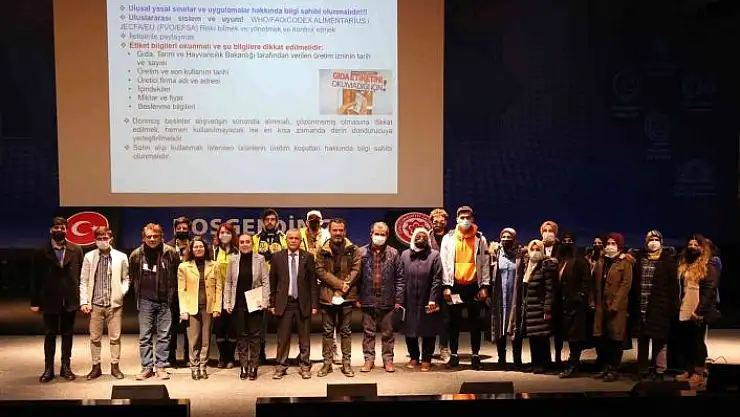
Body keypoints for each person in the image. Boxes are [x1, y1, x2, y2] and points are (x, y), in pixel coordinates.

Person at [31, 216, 84, 383]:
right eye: (56, 227)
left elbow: (82, 276)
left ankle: (66, 367)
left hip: (70, 300)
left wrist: (82, 299)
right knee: (50, 334)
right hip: (49, 300)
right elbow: (35, 279)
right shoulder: (41, 252)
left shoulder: (76, 249)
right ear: (50, 230)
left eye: (62, 228)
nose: (59, 230)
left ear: (67, 230)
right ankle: (48, 369)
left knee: (68, 334)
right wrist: (35, 302)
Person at [439, 206, 490, 370]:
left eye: (468, 217)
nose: (465, 220)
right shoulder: (448, 238)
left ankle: (475, 355)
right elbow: (443, 263)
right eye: (462, 217)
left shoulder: (480, 238)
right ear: (457, 219)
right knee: (453, 322)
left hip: (474, 286)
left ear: (473, 219)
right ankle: (454, 355)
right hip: (455, 286)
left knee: (475, 322)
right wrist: (446, 286)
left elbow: (485, 263)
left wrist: (484, 286)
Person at [129, 223, 180, 380]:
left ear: (161, 237)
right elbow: (132, 276)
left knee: (164, 335)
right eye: (149, 236)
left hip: (165, 300)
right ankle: (147, 367)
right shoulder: (136, 255)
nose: (152, 239)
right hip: (145, 300)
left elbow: (177, 276)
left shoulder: (171, 253)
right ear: (143, 238)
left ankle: (161, 366)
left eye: (155, 236)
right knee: (145, 336)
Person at [79, 226, 129, 380]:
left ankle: (115, 366)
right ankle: (96, 367)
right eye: (99, 238)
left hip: (114, 305)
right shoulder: (89, 256)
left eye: (105, 238)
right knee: (95, 338)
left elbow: (126, 278)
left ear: (110, 239)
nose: (102, 241)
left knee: (115, 337)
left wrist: (121, 292)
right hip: (95, 304)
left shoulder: (121, 257)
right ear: (95, 240)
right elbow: (84, 280)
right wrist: (84, 302)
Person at [270, 229, 318, 380]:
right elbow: (273, 282)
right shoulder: (277, 257)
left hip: (303, 303)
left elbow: (312, 283)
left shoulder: (308, 257)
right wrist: (272, 303)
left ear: (300, 240)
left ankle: (305, 365)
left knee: (304, 338)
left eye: (296, 238)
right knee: (283, 338)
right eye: (290, 238)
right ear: (286, 240)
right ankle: (281, 366)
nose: (293, 241)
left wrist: (314, 304)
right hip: (284, 303)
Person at [315, 218, 362, 377]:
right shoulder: (322, 250)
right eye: (335, 230)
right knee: (327, 331)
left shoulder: (353, 249)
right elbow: (321, 271)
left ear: (345, 231)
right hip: (327, 296)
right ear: (330, 231)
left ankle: (346, 363)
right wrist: (340, 285)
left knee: (346, 331)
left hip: (347, 296)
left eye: (341, 230)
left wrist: (343, 289)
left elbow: (356, 270)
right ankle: (327, 363)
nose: (338, 233)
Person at [674, 234, 721, 389]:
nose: (692, 247)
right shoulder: (685, 265)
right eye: (690, 244)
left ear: (702, 248)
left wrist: (699, 311)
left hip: (698, 309)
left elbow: (709, 290)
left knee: (697, 342)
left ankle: (699, 372)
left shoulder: (708, 265)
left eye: (696, 245)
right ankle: (688, 369)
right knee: (687, 341)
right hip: (685, 307)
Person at [630, 230, 678, 380]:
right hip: (642, 305)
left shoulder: (668, 260)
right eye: (651, 239)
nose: (653, 242)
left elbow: (673, 287)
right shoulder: (640, 259)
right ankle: (643, 369)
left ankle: (660, 370)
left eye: (656, 239)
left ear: (661, 242)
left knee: (660, 340)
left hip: (660, 306)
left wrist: (672, 307)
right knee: (642, 340)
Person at [358, 222, 404, 373]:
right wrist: (356, 297)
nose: (379, 237)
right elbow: (356, 278)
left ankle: (388, 360)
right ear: (371, 234)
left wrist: (398, 300)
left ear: (387, 236)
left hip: (388, 299)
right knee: (368, 333)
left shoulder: (394, 253)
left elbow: (400, 279)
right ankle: (368, 360)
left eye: (382, 234)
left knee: (388, 333)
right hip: (367, 298)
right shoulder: (361, 252)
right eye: (376, 234)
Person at [224, 233, 269, 380]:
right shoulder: (233, 260)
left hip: (255, 303)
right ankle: (243, 366)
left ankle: (254, 366)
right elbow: (228, 282)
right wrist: (227, 302)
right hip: (238, 304)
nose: (244, 244)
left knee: (255, 337)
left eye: (247, 242)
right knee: (241, 336)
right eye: (242, 242)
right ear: (238, 244)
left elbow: (265, 281)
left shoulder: (260, 259)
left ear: (252, 243)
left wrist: (265, 300)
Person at [177, 237, 222, 380]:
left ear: (205, 248)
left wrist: (217, 307)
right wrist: (183, 310)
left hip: (208, 308)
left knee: (206, 340)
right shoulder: (184, 267)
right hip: (191, 308)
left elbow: (219, 288)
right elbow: (181, 290)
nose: (198, 249)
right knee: (194, 340)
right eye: (195, 247)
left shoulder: (214, 265)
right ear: (191, 249)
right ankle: (194, 367)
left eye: (201, 246)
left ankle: (203, 366)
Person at [592, 233, 634, 382]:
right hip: (601, 306)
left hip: (616, 307)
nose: (610, 246)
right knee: (603, 338)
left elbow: (626, 285)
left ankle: (614, 369)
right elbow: (594, 282)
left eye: (613, 244)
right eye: (608, 243)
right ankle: (605, 367)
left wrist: (616, 304)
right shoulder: (601, 261)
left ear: (619, 246)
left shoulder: (625, 262)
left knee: (615, 338)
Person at [510, 240, 555, 374]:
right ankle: (536, 362)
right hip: (529, 308)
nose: (535, 252)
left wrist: (547, 308)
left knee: (542, 337)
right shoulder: (527, 265)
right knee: (533, 337)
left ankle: (544, 363)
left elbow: (550, 289)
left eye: (538, 249)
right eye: (532, 249)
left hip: (540, 307)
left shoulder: (545, 266)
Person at [401, 228, 443, 372]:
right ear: (413, 238)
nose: (421, 239)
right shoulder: (405, 255)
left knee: (428, 330)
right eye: (418, 236)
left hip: (429, 298)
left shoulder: (434, 255)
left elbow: (437, 279)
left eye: (424, 237)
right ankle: (414, 357)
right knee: (410, 329)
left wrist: (433, 299)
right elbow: (400, 277)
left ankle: (426, 359)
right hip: (409, 298)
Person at [556, 232, 593, 378]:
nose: (567, 243)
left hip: (576, 306)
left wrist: (579, 297)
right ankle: (565, 363)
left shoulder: (580, 261)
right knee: (567, 336)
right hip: (563, 305)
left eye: (570, 240)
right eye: (564, 240)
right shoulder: (561, 260)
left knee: (575, 338)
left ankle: (573, 365)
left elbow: (586, 282)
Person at [253, 209, 288, 363]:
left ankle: (282, 355)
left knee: (282, 321)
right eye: (267, 219)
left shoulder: (284, 238)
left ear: (277, 222)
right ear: (262, 222)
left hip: (280, 284)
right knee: (259, 322)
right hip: (260, 286)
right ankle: (259, 354)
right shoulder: (255, 239)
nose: (269, 222)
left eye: (272, 219)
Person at [488, 227, 523, 368]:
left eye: (509, 237)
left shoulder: (520, 254)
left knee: (515, 327)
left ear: (514, 239)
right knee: (499, 326)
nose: (506, 239)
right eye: (503, 237)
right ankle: (501, 359)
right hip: (499, 296)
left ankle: (517, 360)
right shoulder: (495, 253)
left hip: (514, 296)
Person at [213, 222, 239, 369]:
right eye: (222, 233)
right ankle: (222, 357)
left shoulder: (238, 251)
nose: (224, 235)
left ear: (232, 235)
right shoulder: (214, 251)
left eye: (228, 233)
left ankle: (231, 358)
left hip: (234, 295)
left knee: (232, 328)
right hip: (218, 295)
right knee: (219, 328)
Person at [166, 216, 191, 367]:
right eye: (179, 228)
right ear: (174, 230)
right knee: (171, 327)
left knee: (190, 326)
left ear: (189, 230)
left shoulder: (195, 246)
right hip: (172, 293)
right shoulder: (167, 247)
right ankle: (171, 357)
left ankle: (189, 357)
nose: (181, 230)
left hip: (190, 292)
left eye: (184, 228)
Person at [428, 208, 451, 361]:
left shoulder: (453, 237)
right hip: (430, 285)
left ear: (446, 222)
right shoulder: (426, 238)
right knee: (430, 316)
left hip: (448, 284)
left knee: (446, 318)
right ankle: (428, 351)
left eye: (441, 220)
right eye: (434, 220)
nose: (438, 223)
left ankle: (444, 348)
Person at [540, 220, 563, 366]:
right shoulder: (537, 246)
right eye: (545, 231)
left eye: (551, 231)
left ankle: (558, 357)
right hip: (542, 292)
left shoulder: (561, 249)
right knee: (543, 328)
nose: (548, 233)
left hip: (558, 291)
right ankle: (545, 359)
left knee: (558, 328)